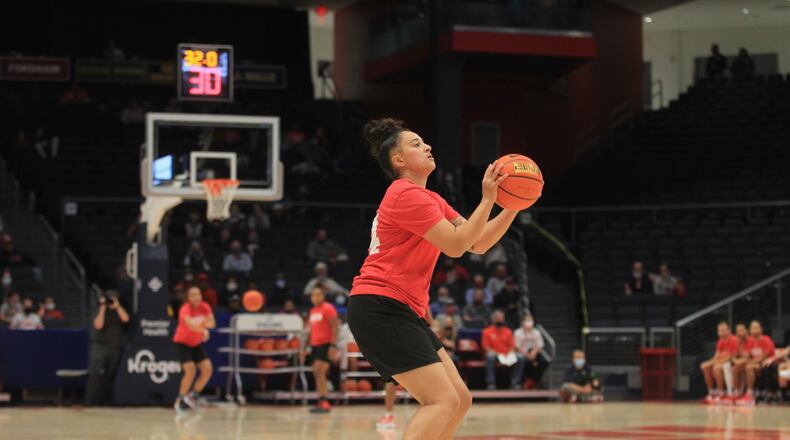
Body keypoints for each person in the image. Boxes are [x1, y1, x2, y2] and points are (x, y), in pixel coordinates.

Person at [347, 118, 516, 439]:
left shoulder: (430, 198)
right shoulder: (404, 194)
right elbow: (455, 245)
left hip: (402, 309)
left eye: (424, 142)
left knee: (459, 400)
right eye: (415, 144)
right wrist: (489, 199)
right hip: (380, 306)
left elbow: (475, 242)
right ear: (398, 161)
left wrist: (513, 206)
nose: (427, 146)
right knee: (441, 400)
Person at [172, 286, 215, 413]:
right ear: (188, 298)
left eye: (199, 294)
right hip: (181, 343)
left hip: (195, 343)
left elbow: (212, 323)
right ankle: (179, 399)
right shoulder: (185, 309)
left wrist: (202, 327)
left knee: (207, 369)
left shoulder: (205, 307)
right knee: (190, 371)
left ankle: (192, 397)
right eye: (193, 295)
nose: (197, 297)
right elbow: (190, 325)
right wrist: (203, 329)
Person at [86, 290, 130, 406]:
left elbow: (126, 319)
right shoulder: (99, 309)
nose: (111, 301)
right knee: (95, 374)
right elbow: (98, 325)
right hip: (100, 346)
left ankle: (106, 400)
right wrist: (103, 307)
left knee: (111, 375)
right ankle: (90, 400)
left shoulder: (119, 309)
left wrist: (118, 306)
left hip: (114, 347)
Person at [306, 287, 339, 413]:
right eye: (313, 295)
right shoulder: (313, 310)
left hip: (326, 344)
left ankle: (325, 401)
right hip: (315, 345)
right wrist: (306, 346)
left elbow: (335, 327)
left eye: (318, 295)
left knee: (320, 371)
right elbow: (311, 330)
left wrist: (333, 345)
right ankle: (321, 400)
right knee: (316, 372)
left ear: (323, 296)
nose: (316, 297)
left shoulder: (328, 308)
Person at [482, 310, 524, 390]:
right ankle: (491, 383)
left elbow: (512, 346)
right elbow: (486, 347)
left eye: (501, 319)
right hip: (495, 355)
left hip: (507, 355)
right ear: (493, 320)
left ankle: (515, 382)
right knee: (490, 356)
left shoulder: (508, 331)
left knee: (520, 357)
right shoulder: (486, 331)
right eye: (498, 319)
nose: (500, 321)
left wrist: (510, 353)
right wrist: (498, 354)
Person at [737, 320, 775, 406]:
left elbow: (763, 358)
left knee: (748, 367)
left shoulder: (766, 340)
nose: (754, 330)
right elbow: (746, 356)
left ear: (761, 329)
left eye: (756, 327)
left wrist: (749, 362)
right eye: (752, 328)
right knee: (738, 367)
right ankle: (737, 393)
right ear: (749, 330)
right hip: (755, 365)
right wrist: (740, 343)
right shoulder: (750, 341)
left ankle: (750, 395)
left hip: (767, 367)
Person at [700, 321, 737, 404]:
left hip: (731, 363)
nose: (722, 333)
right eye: (720, 331)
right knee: (705, 367)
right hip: (722, 362)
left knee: (716, 368)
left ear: (729, 331)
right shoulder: (720, 341)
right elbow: (716, 356)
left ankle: (721, 394)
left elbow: (730, 358)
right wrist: (709, 362)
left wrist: (715, 363)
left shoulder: (734, 340)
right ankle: (711, 393)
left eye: (724, 330)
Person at [514, 314, 548, 389]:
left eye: (530, 320)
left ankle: (536, 381)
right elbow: (517, 346)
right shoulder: (518, 332)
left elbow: (540, 345)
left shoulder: (537, 332)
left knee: (544, 361)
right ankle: (520, 382)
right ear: (522, 322)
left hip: (534, 354)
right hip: (522, 354)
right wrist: (527, 355)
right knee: (521, 359)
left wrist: (534, 352)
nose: (529, 322)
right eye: (527, 320)